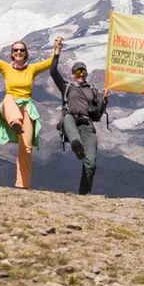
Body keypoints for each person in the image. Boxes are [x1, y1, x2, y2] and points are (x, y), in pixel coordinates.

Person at [0, 31, 57, 190]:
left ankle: (23, 185)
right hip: (9, 106)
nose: (19, 52)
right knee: (9, 100)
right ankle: (15, 122)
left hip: (26, 108)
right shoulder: (5, 68)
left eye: (21, 50)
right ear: (12, 54)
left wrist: (57, 50)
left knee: (26, 149)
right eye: (15, 50)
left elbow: (50, 62)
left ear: (26, 53)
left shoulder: (32, 69)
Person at [50, 46, 109, 194]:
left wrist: (104, 100)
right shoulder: (67, 87)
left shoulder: (93, 91)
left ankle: (83, 193)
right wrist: (56, 54)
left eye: (83, 71)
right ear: (73, 74)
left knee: (91, 163)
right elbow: (53, 72)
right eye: (78, 71)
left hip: (87, 125)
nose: (81, 74)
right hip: (70, 121)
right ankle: (76, 143)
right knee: (68, 118)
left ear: (86, 73)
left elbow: (96, 116)